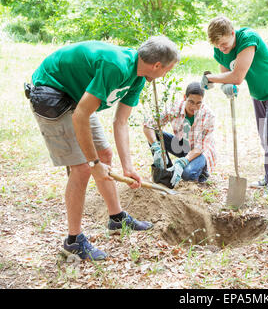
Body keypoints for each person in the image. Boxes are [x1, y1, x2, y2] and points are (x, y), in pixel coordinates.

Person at [28, 36, 180, 260]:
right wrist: (93, 164)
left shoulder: (138, 77)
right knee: (82, 168)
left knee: (104, 154)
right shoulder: (116, 66)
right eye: (168, 70)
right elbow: (81, 115)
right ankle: (73, 241)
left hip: (78, 96)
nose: (166, 74)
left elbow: (120, 122)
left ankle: (116, 218)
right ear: (157, 65)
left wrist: (128, 167)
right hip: (52, 91)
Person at [201, 16, 268, 200]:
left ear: (232, 33)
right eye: (218, 46)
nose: (221, 49)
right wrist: (227, 87)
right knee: (265, 138)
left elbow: (237, 77)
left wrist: (212, 78)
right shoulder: (220, 50)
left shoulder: (248, 38)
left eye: (224, 44)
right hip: (258, 95)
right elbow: (227, 75)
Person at [143, 82, 216, 187]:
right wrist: (155, 146)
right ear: (184, 97)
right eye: (191, 102)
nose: (194, 107)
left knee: (186, 174)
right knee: (155, 134)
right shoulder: (174, 107)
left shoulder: (208, 116)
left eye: (198, 103)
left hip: (200, 152)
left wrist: (183, 162)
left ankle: (201, 171)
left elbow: (200, 147)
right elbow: (148, 125)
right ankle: (168, 171)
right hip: (183, 145)